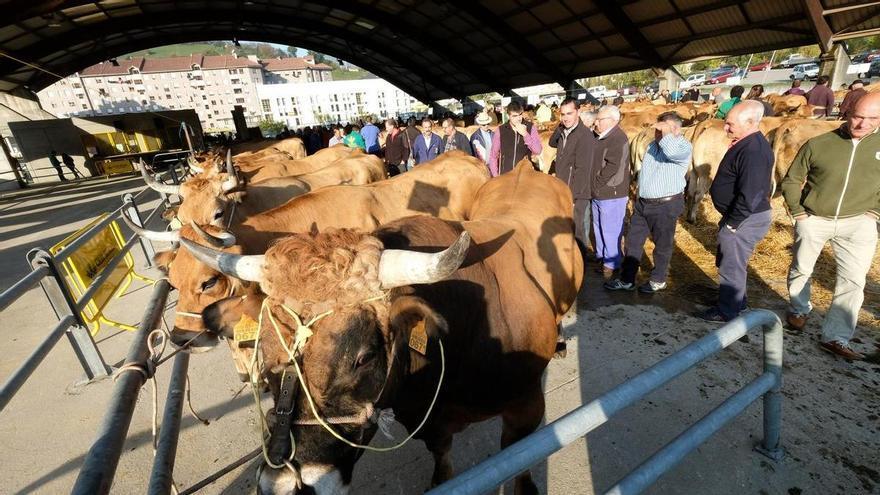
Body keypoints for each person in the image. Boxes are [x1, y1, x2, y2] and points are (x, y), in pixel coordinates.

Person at [781, 92, 880, 360]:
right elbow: (792, 179)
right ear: (847, 112)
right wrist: (798, 212)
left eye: (873, 118)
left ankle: (836, 336)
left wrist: (874, 213)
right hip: (815, 219)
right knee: (802, 267)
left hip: (859, 223)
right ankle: (800, 309)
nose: (863, 124)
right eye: (858, 116)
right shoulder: (819, 144)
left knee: (853, 281)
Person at [696, 101, 774, 322]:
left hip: (745, 218)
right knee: (732, 261)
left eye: (730, 124)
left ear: (750, 122)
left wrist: (733, 222)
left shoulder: (754, 151)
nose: (726, 128)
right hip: (741, 216)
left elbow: (752, 193)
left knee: (731, 263)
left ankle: (727, 311)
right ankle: (737, 301)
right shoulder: (747, 143)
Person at [605, 112, 691, 293]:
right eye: (657, 130)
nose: (657, 133)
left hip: (666, 204)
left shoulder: (683, 146)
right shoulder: (652, 146)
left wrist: (667, 133)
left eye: (661, 130)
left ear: (675, 129)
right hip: (643, 203)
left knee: (662, 245)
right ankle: (627, 279)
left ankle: (658, 280)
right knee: (632, 242)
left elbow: (672, 151)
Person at [549, 97, 596, 254]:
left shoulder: (585, 136)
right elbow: (551, 142)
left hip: (577, 194)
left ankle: (581, 266)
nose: (565, 117)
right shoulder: (564, 132)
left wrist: (573, 197)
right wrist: (560, 126)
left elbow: (582, 170)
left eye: (569, 113)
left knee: (579, 231)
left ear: (579, 112)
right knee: (566, 228)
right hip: (563, 189)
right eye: (562, 114)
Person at [590, 105, 631, 276]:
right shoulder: (601, 137)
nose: (596, 122)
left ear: (613, 121)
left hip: (611, 192)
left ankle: (611, 264)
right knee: (599, 226)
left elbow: (613, 166)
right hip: (599, 192)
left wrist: (597, 183)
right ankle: (602, 256)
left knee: (610, 229)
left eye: (600, 120)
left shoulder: (618, 138)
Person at [488, 101, 542, 177]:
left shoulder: (530, 127)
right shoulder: (501, 130)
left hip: (525, 176)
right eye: (514, 116)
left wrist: (525, 134)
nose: (519, 119)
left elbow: (538, 150)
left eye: (520, 115)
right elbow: (493, 155)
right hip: (506, 175)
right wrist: (495, 175)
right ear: (508, 116)